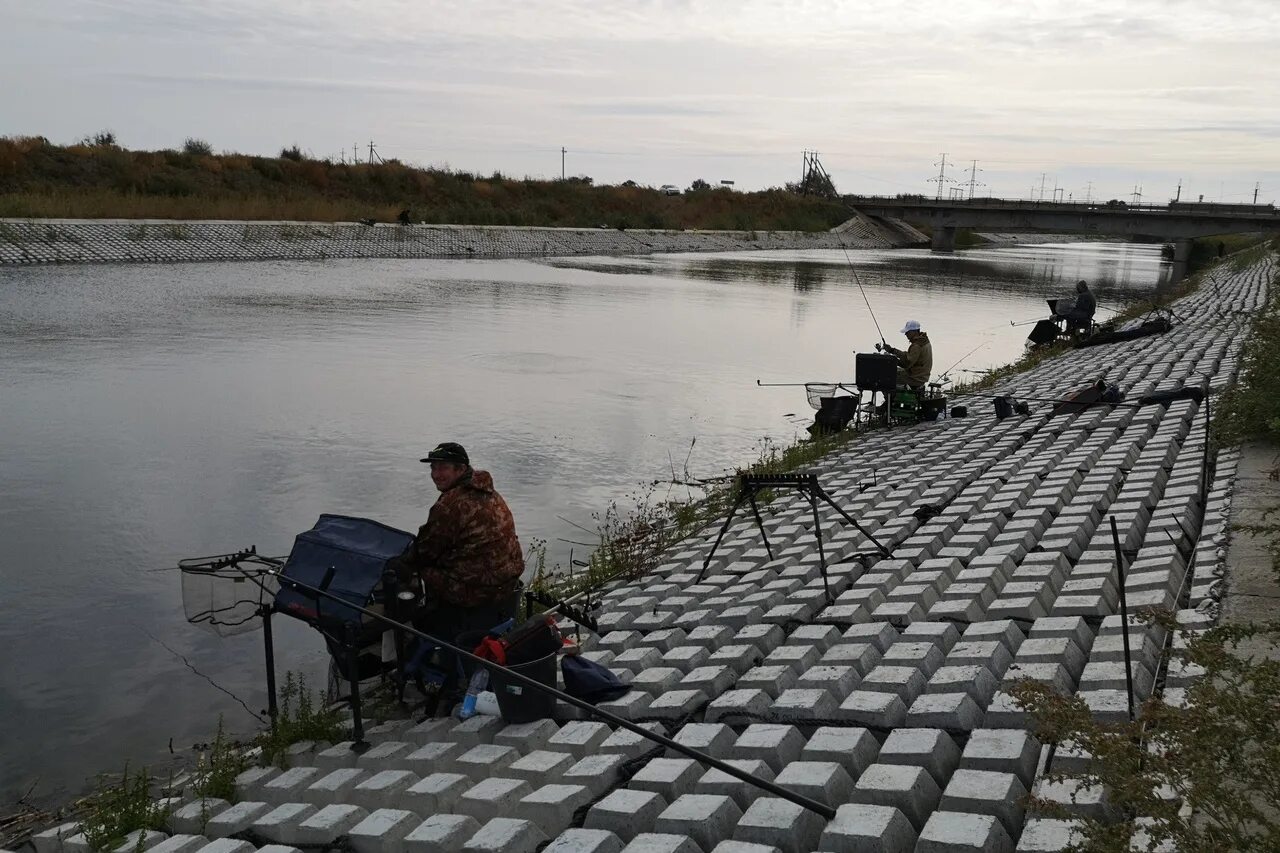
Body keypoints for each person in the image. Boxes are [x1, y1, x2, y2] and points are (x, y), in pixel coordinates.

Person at [385, 442, 524, 640]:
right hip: (508, 586)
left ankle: (421, 632)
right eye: (433, 467)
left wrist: (397, 565)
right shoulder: (489, 492)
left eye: (443, 468)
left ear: (460, 469)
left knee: (409, 570)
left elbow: (424, 551)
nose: (435, 474)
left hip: (477, 591)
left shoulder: (451, 503)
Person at [881, 320, 933, 390]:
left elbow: (906, 364)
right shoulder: (924, 340)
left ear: (914, 332)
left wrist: (892, 360)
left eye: (907, 332)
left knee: (885, 376)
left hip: (915, 378)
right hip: (921, 375)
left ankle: (890, 399)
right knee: (894, 371)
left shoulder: (916, 345)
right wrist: (892, 350)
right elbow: (909, 356)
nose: (906, 334)